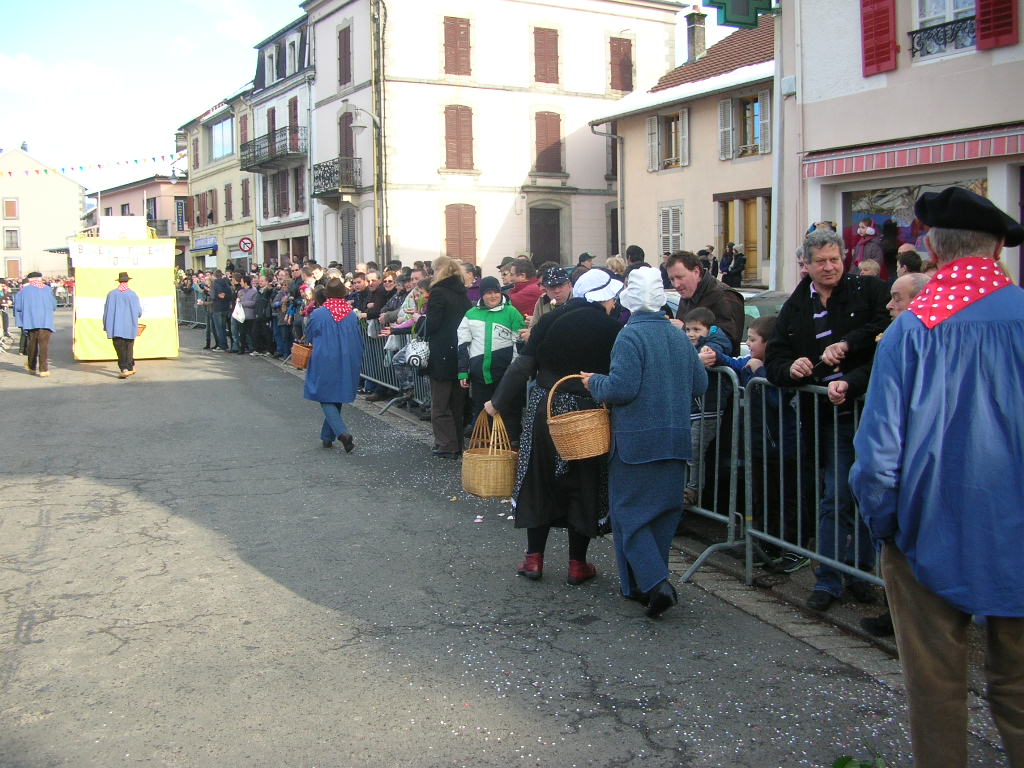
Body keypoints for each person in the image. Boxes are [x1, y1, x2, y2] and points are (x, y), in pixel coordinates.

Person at [849, 187, 1024, 768]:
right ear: (997, 249)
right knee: (1020, 689)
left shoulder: (912, 329)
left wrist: (887, 526)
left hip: (926, 529)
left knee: (936, 691)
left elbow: (877, 459)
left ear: (930, 246)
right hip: (1016, 530)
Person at [764, 229, 890, 612]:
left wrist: (848, 347)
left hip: (867, 412)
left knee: (862, 494)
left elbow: (886, 333)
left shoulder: (868, 290)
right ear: (807, 264)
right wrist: (793, 367)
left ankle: (858, 571)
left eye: (835, 259)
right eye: (822, 261)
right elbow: (775, 361)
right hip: (820, 417)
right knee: (835, 495)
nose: (830, 266)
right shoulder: (797, 303)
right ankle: (831, 578)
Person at [583, 266, 707, 617]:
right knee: (662, 515)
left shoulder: (629, 336)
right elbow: (700, 385)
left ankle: (654, 583)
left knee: (629, 514)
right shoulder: (678, 336)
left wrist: (595, 383)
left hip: (636, 441)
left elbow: (622, 388)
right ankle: (639, 584)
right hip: (676, 438)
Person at [486, 268, 623, 585]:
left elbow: (525, 364)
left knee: (540, 479)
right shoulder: (613, 329)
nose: (615, 303)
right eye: (612, 297)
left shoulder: (550, 320)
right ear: (602, 297)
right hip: (587, 412)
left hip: (544, 408)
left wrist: (498, 402)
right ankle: (577, 564)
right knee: (583, 483)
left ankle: (534, 559)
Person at [457, 276, 526, 441]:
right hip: (480, 375)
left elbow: (519, 343)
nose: (493, 296)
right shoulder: (470, 314)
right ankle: (486, 455)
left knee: (509, 413)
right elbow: (462, 345)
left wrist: (513, 371)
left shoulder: (511, 312)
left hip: (505, 375)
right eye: (488, 293)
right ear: (482, 295)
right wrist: (462, 372)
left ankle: (511, 451)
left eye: (496, 292)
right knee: (483, 413)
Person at [303, 278, 363, 453]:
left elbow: (310, 334)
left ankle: (342, 432)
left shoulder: (319, 314)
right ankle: (326, 437)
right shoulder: (351, 314)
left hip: (325, 357)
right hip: (347, 358)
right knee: (336, 394)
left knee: (325, 394)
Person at [424, 256, 473, 458]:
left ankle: (446, 444)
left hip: (442, 352)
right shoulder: (463, 293)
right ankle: (457, 444)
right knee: (457, 404)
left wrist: (421, 324)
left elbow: (433, 324)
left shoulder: (438, 293)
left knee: (440, 403)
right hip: (460, 352)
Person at [684, 307, 732, 506]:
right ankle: (687, 487)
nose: (691, 334)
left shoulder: (714, 343)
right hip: (693, 408)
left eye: (696, 329)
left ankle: (693, 489)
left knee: (695, 451)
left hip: (708, 408)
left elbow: (715, 351)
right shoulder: (687, 344)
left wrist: (705, 352)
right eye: (688, 330)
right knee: (688, 451)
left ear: (709, 330)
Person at [666, 251, 745, 355]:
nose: (676, 284)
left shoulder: (724, 296)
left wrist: (684, 328)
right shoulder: (687, 294)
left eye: (680, 277)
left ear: (696, 272)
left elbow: (728, 340)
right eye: (672, 279)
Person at [14, 271, 57, 377]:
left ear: (29, 280)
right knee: (44, 347)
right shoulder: (47, 289)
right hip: (46, 322)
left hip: (30, 322)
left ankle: (32, 367)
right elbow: (54, 305)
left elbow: (18, 307)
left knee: (32, 345)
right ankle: (44, 370)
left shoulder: (24, 291)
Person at [102, 272, 143, 379]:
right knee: (129, 347)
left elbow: (106, 311)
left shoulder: (111, 294)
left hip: (115, 327)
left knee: (120, 348)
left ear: (119, 281)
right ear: (128, 281)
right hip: (129, 326)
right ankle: (130, 366)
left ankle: (124, 368)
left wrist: (106, 325)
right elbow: (139, 312)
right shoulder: (132, 294)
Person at [209, 269, 233, 351]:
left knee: (220, 329)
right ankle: (228, 345)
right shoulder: (226, 282)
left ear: (214, 275)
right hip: (226, 308)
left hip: (218, 308)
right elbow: (229, 294)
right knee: (225, 328)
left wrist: (212, 293)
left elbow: (218, 295)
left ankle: (223, 346)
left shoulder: (216, 283)